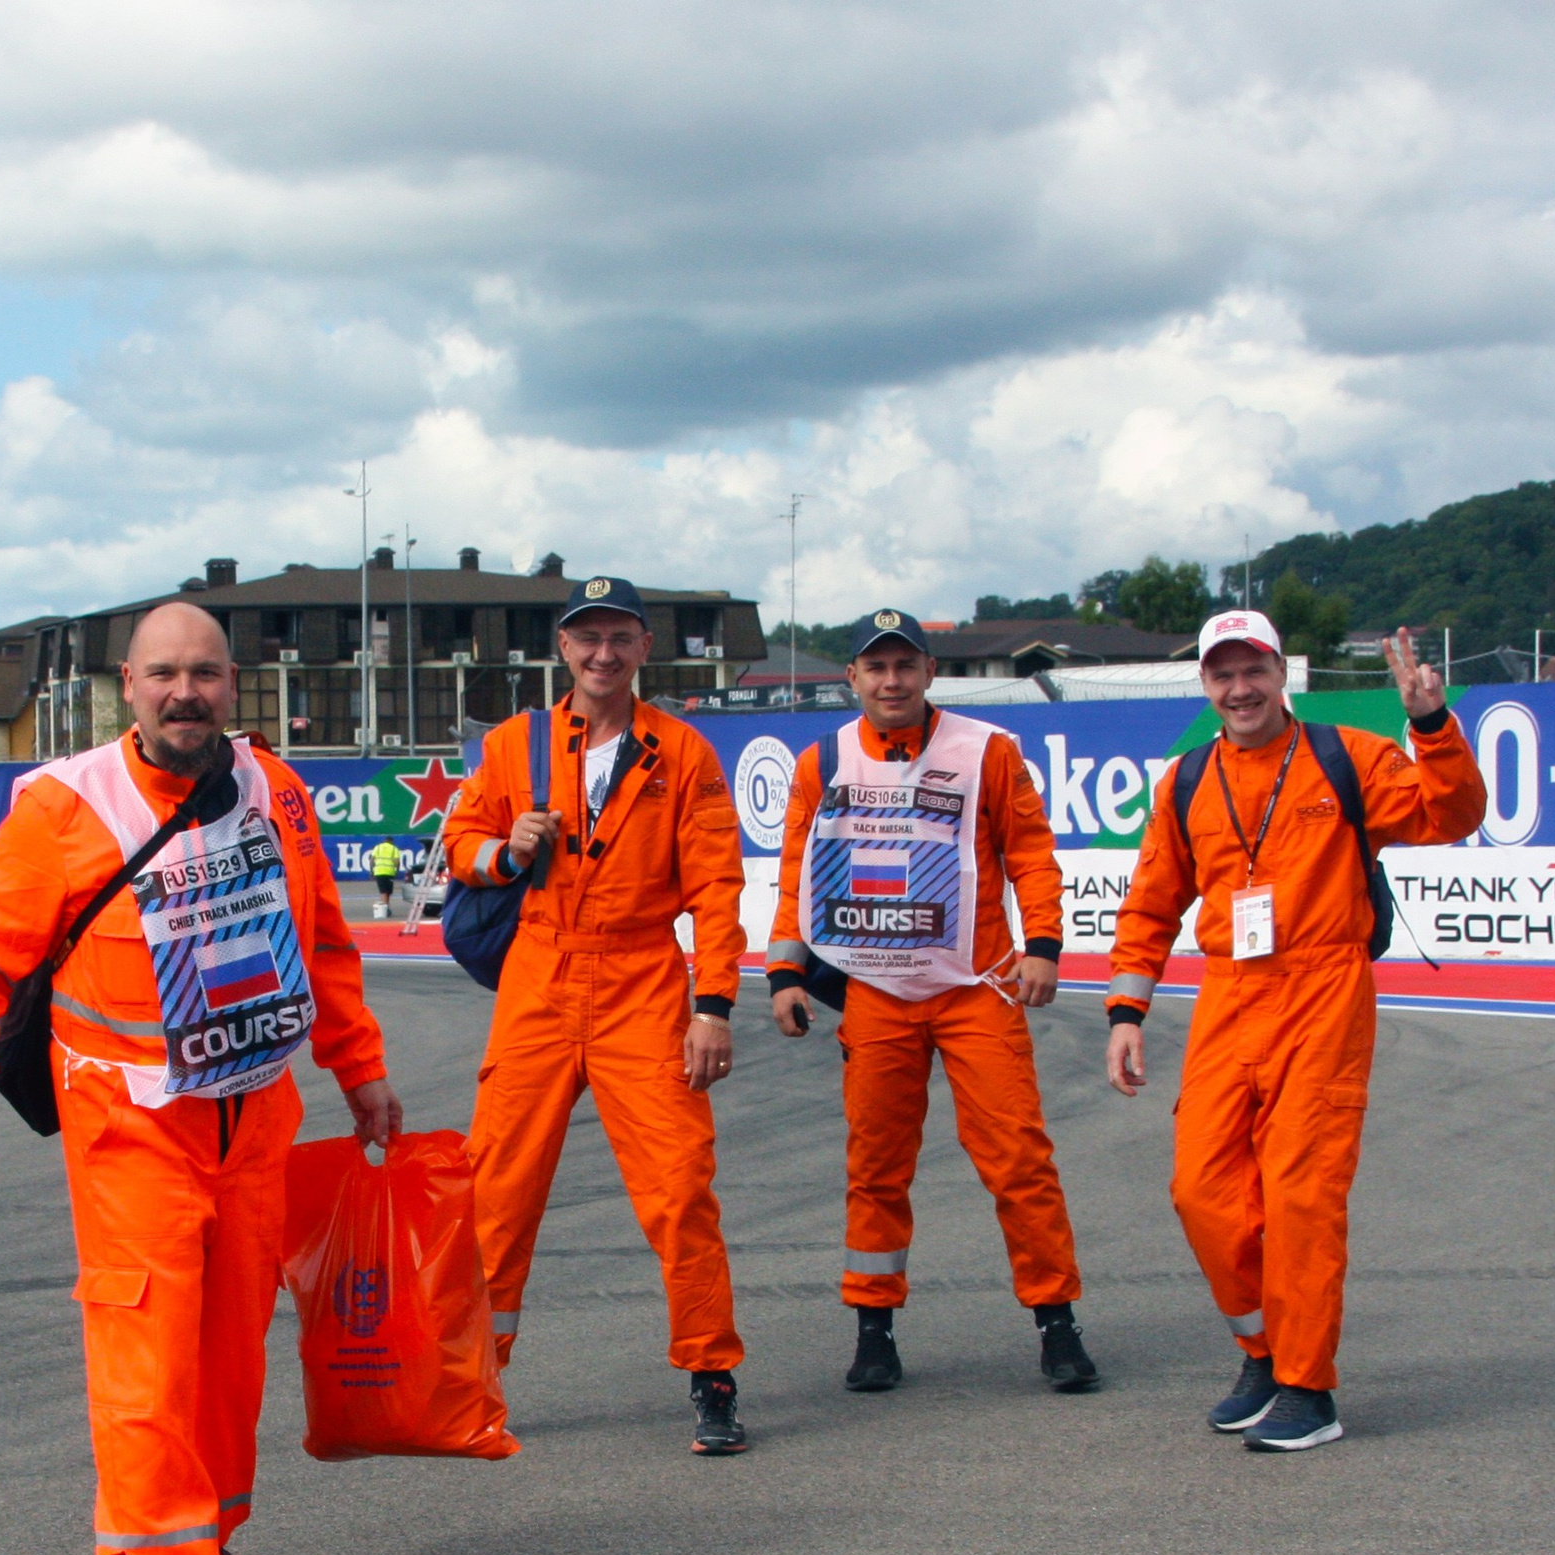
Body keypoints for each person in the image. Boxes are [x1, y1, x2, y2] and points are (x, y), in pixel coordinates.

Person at [0, 601, 400, 1555]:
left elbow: (322, 937)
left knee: (230, 1343)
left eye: (205, 673)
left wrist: (360, 1072)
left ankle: (210, 1535)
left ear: (234, 684)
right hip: (129, 1118)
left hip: (256, 1111)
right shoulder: (64, 802)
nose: (185, 691)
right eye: (163, 674)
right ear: (126, 685)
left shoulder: (274, 787)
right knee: (146, 1344)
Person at [1106, 614, 1484, 1451]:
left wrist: (1430, 724)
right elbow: (1151, 902)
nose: (1239, 689)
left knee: (1301, 1193)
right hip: (1229, 996)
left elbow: (1452, 814)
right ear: (1205, 684)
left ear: (1282, 672)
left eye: (1253, 671)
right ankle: (1264, 1350)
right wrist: (1126, 1013)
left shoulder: (1351, 755)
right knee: (1201, 1191)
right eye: (1222, 674)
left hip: (1324, 987)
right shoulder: (1185, 781)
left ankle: (1309, 1387)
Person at [439, 576, 752, 1455]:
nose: (603, 653)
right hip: (539, 973)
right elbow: (461, 844)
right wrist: (507, 852)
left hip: (643, 978)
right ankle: (474, 1383)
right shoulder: (517, 743)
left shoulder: (682, 753)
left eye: (620, 638)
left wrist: (714, 1004)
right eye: (588, 638)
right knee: (496, 1191)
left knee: (681, 1188)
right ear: (564, 648)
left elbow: (719, 888)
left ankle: (711, 1372)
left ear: (644, 647)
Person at [767, 610, 1097, 1394]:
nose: (891, 681)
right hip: (875, 993)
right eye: (875, 667)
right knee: (875, 1166)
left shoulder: (988, 749)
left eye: (904, 665)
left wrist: (1043, 946)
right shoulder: (822, 760)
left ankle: (1058, 1323)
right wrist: (784, 973)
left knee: (1019, 1159)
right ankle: (873, 1327)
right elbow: (795, 875)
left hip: (978, 988)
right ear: (851, 677)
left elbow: (1031, 853)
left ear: (929, 670)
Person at [369, 836, 404, 920]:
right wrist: (397, 870)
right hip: (389, 872)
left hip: (379, 871)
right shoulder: (394, 849)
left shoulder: (377, 848)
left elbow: (372, 860)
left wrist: (371, 871)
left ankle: (386, 907)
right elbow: (397, 861)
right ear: (391, 841)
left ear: (384, 841)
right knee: (386, 891)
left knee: (384, 891)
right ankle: (385, 908)